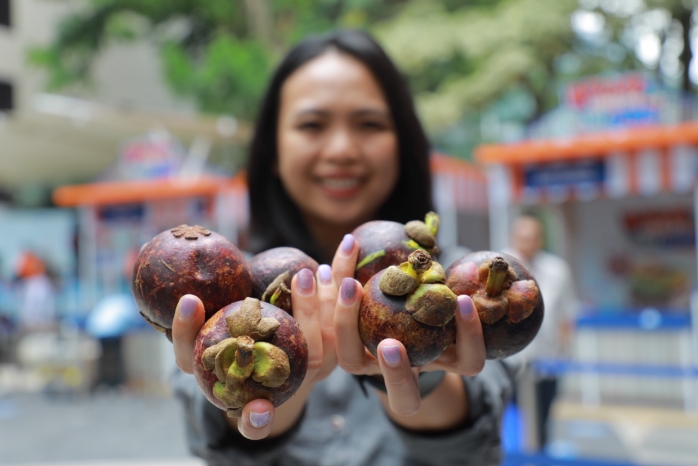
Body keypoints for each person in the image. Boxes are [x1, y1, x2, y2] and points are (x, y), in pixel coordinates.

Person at [169, 29, 518, 465]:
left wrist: (422, 372)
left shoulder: (465, 285)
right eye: (312, 124)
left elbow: (475, 444)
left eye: (369, 124)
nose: (341, 149)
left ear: (402, 144)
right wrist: (273, 383)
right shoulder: (221, 293)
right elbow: (223, 448)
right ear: (273, 150)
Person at [503, 214, 579, 451]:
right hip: (509, 360)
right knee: (509, 419)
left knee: (543, 417)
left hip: (547, 359)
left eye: (533, 237)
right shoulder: (498, 263)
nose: (528, 242)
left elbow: (567, 313)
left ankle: (539, 455)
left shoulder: (556, 269)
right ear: (513, 238)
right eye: (523, 237)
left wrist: (564, 349)